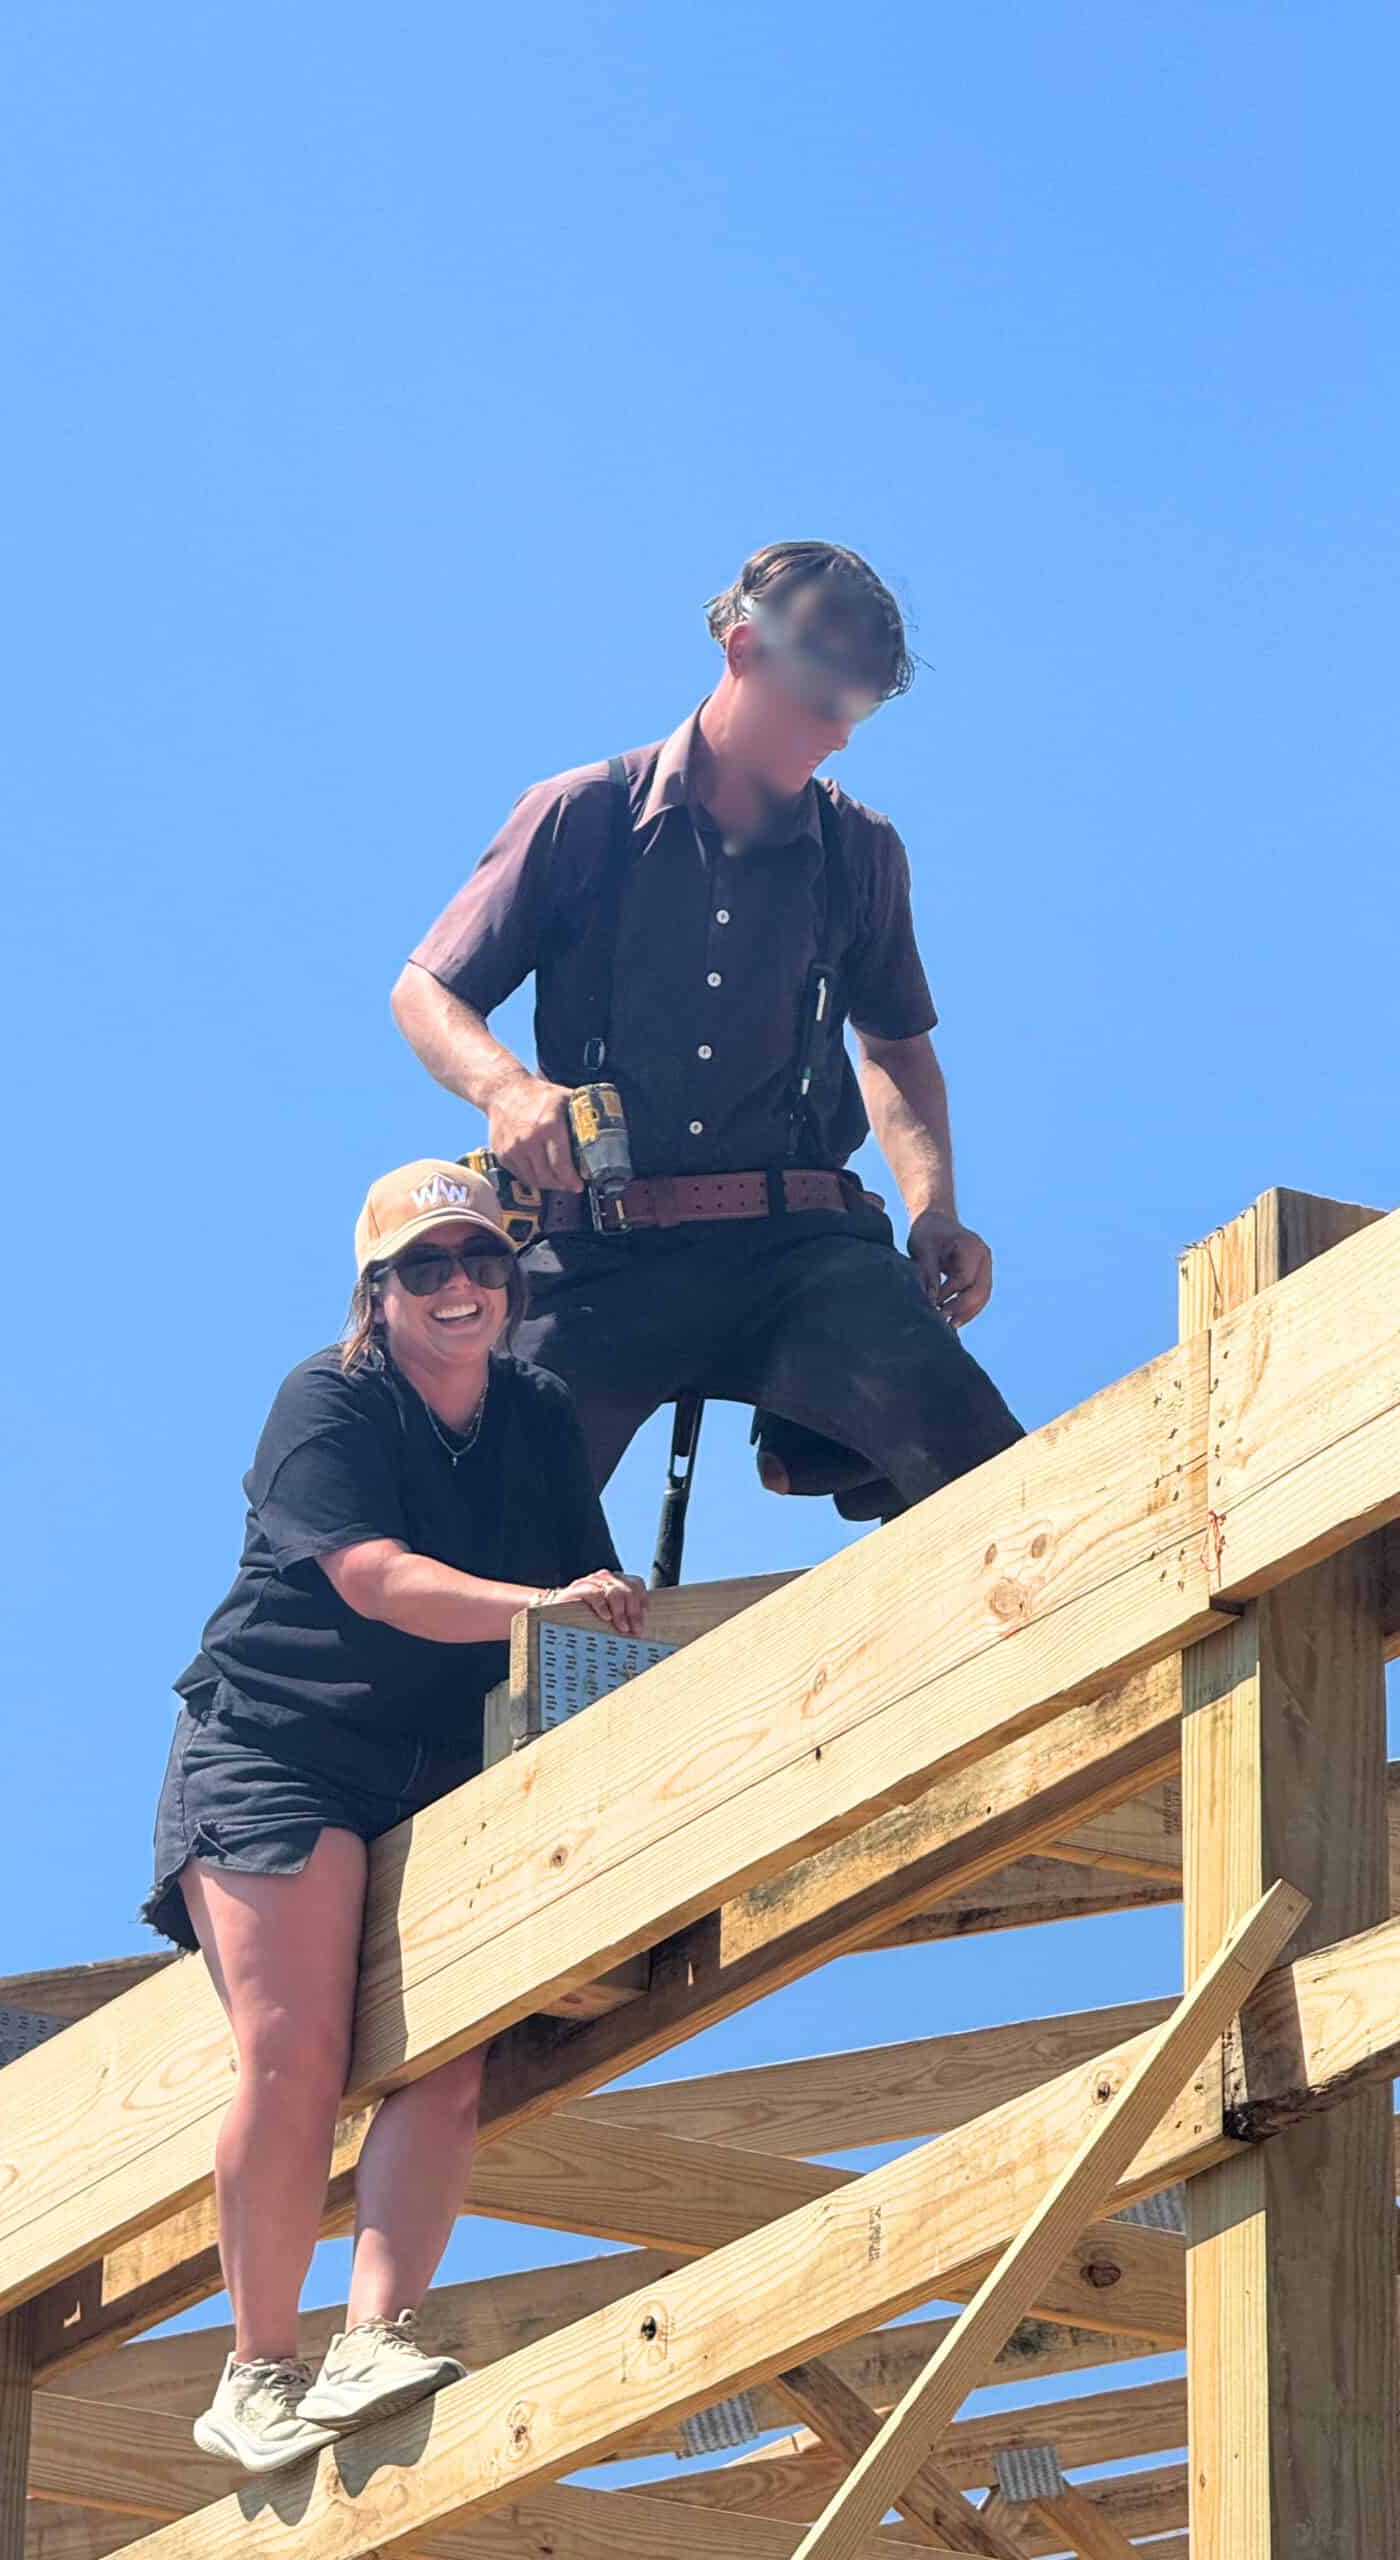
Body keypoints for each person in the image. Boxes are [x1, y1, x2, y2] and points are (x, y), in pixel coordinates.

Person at [140, 1157, 645, 2475]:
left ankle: (375, 2337)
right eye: (426, 1267)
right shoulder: (329, 1398)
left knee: (449, 2039)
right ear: (378, 1292)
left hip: (436, 1763)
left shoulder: (533, 1411)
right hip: (279, 1747)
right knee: (297, 2048)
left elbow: (585, 1591)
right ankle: (258, 2371)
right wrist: (543, 1606)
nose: (459, 1286)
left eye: (483, 1261)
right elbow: (372, 1578)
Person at [391, 537, 1024, 1525]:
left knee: (990, 1474)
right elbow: (427, 991)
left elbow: (896, 1048)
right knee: (478, 1527)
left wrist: (934, 1207)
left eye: (859, 708)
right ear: (742, 650)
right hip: (601, 1255)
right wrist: (507, 1092)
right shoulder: (583, 816)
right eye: (825, 700)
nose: (840, 736)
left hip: (799, 1253)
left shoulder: (860, 852)